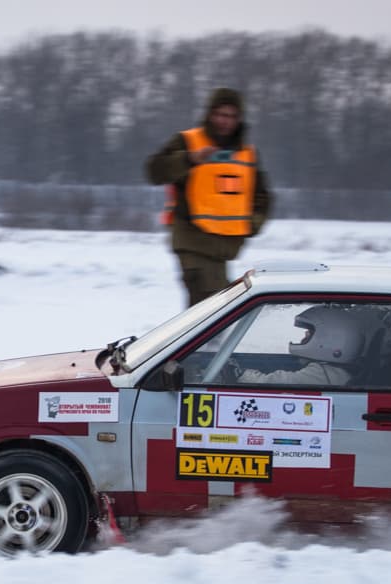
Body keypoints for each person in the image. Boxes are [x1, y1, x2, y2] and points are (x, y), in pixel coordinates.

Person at [146, 87, 273, 307]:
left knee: (213, 316)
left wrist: (252, 224)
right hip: (193, 244)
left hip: (224, 249)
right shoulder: (187, 142)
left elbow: (262, 196)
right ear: (210, 114)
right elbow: (154, 171)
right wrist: (190, 159)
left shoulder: (247, 153)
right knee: (214, 313)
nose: (226, 121)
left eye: (232, 116)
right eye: (221, 114)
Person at [237, 306, 363, 386]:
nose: (303, 338)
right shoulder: (335, 372)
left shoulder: (322, 373)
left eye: (309, 335)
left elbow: (276, 381)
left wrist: (240, 373)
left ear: (328, 340)